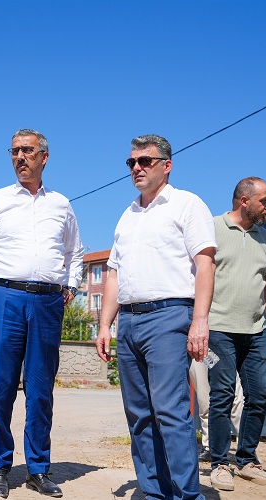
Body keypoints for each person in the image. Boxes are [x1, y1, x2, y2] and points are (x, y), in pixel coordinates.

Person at [96, 134, 216, 500]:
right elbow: (114, 274)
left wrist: (200, 320)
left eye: (144, 161)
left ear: (167, 165)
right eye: (131, 162)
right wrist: (104, 324)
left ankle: (186, 494)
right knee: (139, 414)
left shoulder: (187, 204)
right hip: (129, 321)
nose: (136, 167)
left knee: (170, 411)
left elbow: (206, 263)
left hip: (169, 317)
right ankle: (154, 492)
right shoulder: (127, 215)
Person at [0, 129, 83, 498]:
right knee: (1, 388)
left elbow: (76, 253)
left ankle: (38, 469)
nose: (20, 157)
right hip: (4, 298)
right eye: (14, 151)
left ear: (44, 157)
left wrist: (71, 286)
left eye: (27, 150)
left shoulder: (61, 204)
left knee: (40, 390)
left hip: (47, 303)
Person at [206, 177, 266, 491]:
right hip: (216, 330)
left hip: (256, 331)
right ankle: (219, 463)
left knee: (260, 395)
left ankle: (247, 460)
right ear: (244, 201)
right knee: (222, 396)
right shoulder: (211, 228)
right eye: (264, 201)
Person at [188, 361, 243, 462]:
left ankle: (245, 449)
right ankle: (210, 447)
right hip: (198, 355)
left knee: (236, 399)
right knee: (204, 400)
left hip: (222, 352)